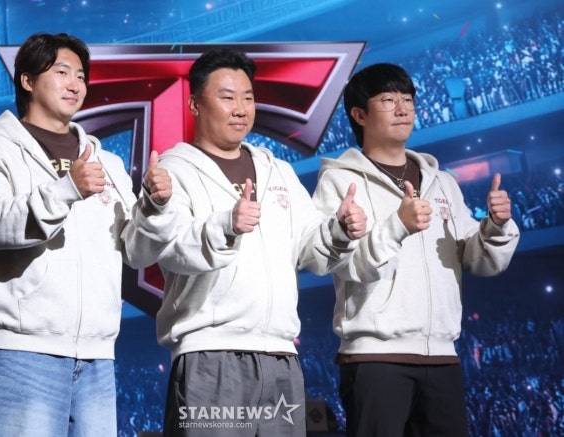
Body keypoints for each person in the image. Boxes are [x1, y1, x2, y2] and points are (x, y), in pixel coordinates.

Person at [128, 47, 367, 436]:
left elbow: (310, 248)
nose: (240, 108)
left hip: (281, 355)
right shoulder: (175, 172)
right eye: (227, 97)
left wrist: (338, 231)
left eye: (248, 97)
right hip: (210, 355)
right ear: (194, 104)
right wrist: (227, 225)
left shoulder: (278, 171)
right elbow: (169, 251)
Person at [0, 32, 171, 436]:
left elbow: (136, 251)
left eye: (81, 76)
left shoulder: (107, 162)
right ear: (27, 80)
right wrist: (67, 189)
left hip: (97, 357)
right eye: (62, 72)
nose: (75, 84)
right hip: (21, 354)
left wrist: (155, 207)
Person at [312, 62, 520, 436]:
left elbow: (479, 261)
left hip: (442, 357)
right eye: (388, 100)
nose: (403, 109)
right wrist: (399, 225)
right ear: (359, 115)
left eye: (407, 99)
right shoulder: (340, 182)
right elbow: (343, 264)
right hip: (374, 357)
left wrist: (496, 226)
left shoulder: (443, 183)